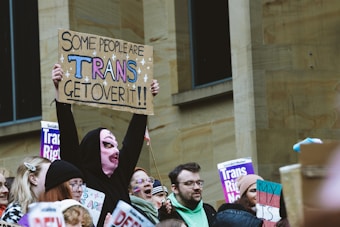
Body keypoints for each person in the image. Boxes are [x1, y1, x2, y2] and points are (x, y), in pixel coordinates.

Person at [52, 63, 160, 226]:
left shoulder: (121, 175)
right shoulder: (81, 175)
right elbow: (69, 139)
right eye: (108, 145)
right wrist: (61, 98)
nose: (116, 150)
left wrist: (144, 102)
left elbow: (134, 140)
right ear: (93, 150)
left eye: (116, 145)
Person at [159, 162, 216, 227]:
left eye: (199, 182)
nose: (197, 187)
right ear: (175, 189)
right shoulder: (166, 215)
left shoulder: (209, 210)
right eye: (189, 183)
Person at [1, 156, 51, 224]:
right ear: (33, 179)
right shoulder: (14, 213)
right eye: (49, 174)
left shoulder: (51, 208)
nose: (54, 177)